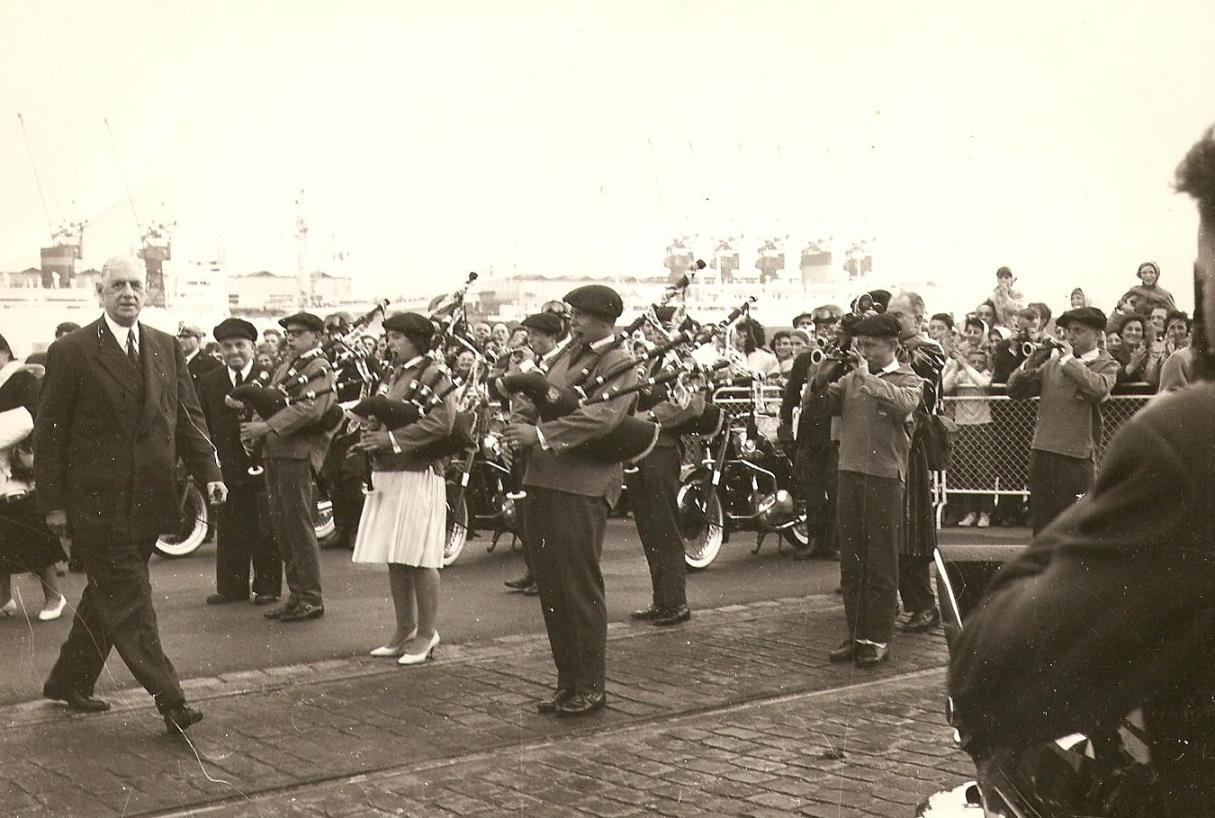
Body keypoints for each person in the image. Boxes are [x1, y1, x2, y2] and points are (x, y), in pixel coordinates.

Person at [949, 127, 1215, 815]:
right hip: (1046, 455)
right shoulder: (1054, 359)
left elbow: (988, 683)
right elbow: (1017, 392)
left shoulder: (1183, 433)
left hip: (1077, 465)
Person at [36, 256, 225, 732]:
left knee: (110, 595)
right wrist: (54, 504)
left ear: (147, 291)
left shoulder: (164, 346)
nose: (128, 293)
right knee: (131, 597)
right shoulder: (74, 350)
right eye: (117, 285)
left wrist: (210, 472)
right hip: (97, 503)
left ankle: (68, 681)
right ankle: (171, 698)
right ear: (99, 292)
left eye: (136, 285)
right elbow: (50, 435)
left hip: (149, 500)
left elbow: (188, 417)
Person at [501, 284, 638, 717]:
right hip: (544, 478)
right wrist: (516, 423)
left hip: (582, 484)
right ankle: (567, 682)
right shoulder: (566, 354)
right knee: (553, 588)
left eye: (578, 315)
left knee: (578, 587)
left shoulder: (620, 361)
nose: (572, 321)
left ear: (602, 318)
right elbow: (541, 396)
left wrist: (540, 436)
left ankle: (591, 685)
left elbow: (602, 416)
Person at [350, 313, 453, 665]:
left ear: (416, 339)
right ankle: (405, 628)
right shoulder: (394, 373)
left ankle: (427, 632)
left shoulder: (434, 373)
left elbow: (443, 422)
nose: (390, 343)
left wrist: (390, 439)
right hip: (391, 472)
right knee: (396, 556)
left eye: (396, 337)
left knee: (420, 557)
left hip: (419, 472)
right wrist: (371, 430)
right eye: (389, 337)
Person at [820, 313, 921, 667]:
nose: (863, 351)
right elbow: (818, 402)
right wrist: (825, 368)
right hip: (849, 473)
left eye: (871, 346)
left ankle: (877, 638)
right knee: (852, 562)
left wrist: (865, 376)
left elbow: (904, 404)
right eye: (860, 345)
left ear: (892, 346)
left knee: (880, 562)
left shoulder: (909, 379)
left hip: (883, 478)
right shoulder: (850, 378)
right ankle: (855, 634)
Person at [242, 312, 336, 623]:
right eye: (289, 333)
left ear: (316, 337)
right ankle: (297, 594)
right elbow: (268, 398)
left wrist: (265, 427)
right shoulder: (287, 366)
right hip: (276, 451)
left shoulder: (319, 367)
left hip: (296, 453)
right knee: (282, 525)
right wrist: (257, 430)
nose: (291, 337)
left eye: (298, 333)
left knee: (297, 525)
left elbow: (310, 409)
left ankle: (310, 597)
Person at [1006, 306, 1118, 534]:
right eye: (1068, 331)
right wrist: (1031, 360)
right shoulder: (1053, 363)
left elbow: (1098, 388)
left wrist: (1067, 359)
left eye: (1078, 331)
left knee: (1076, 527)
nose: (1071, 336)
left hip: (1077, 456)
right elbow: (1014, 390)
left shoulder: (1106, 364)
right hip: (1043, 450)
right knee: (1043, 527)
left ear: (1097, 334)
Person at [196, 318, 283, 605]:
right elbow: (204, 424)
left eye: (240, 345)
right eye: (226, 346)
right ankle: (232, 588)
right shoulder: (210, 381)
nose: (233, 351)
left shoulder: (270, 377)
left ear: (253, 347)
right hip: (228, 465)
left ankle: (267, 587)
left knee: (264, 526)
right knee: (231, 526)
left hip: (264, 462)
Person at [627, 305, 703, 628]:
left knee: (665, 527)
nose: (652, 333)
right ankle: (661, 599)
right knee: (649, 528)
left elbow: (693, 405)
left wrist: (653, 416)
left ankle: (676, 601)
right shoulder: (648, 363)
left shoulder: (686, 364)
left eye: (659, 328)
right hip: (638, 451)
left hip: (662, 448)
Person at [888, 291, 946, 634]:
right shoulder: (893, 348)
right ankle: (910, 601)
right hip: (891, 442)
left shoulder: (929, 349)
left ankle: (924, 604)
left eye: (898, 315)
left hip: (913, 444)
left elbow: (917, 375)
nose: (892, 322)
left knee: (911, 527)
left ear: (918, 318)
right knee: (893, 525)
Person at [0, 333, 66, 621]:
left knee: (31, 535)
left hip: (18, 471)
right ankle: (3, 598)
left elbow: (30, 419)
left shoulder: (21, 377)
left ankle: (54, 596)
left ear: (3, 352)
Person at [502, 312, 567, 595]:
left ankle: (546, 576)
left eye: (538, 335)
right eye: (530, 334)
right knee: (527, 514)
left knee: (545, 517)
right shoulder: (532, 363)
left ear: (553, 336)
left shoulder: (558, 363)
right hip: (526, 438)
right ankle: (533, 570)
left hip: (546, 442)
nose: (532, 340)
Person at [943, 345, 995, 528]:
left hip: (983, 426)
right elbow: (944, 386)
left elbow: (983, 383)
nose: (977, 364)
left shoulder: (986, 373)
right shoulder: (962, 373)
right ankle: (970, 511)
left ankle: (985, 513)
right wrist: (957, 366)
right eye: (974, 361)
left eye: (980, 362)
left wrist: (966, 365)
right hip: (963, 426)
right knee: (966, 470)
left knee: (984, 471)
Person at [1109, 312, 1162, 391]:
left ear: (1142, 335)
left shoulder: (1149, 353)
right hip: (1121, 399)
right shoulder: (1111, 353)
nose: (1133, 333)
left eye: (1138, 330)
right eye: (1129, 329)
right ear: (1121, 333)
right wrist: (1132, 366)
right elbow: (1109, 379)